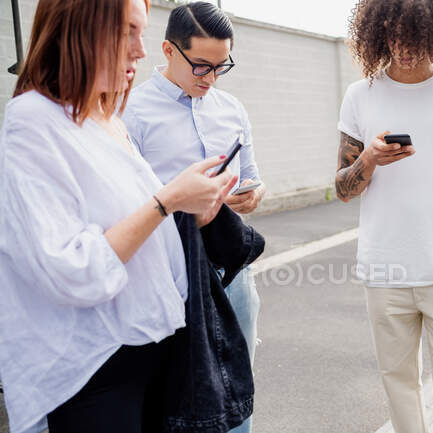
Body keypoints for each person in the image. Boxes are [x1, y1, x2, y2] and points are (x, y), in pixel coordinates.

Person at [0, 0, 237, 432]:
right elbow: (72, 268)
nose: (139, 50)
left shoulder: (106, 118)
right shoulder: (32, 121)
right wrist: (167, 200)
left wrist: (191, 212)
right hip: (92, 372)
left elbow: (133, 229)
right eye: (127, 31)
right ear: (78, 28)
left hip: (144, 357)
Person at [336, 1, 433, 432]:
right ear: (377, 32)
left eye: (415, 36)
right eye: (392, 35)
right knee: (400, 391)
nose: (403, 48)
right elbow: (343, 189)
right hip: (384, 273)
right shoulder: (360, 95)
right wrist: (369, 158)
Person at [122, 4, 264, 432]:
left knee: (237, 389)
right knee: (180, 398)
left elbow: (254, 184)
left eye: (222, 67)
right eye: (201, 66)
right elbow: (126, 205)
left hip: (231, 270)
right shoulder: (132, 112)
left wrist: (249, 196)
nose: (211, 79)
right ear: (167, 50)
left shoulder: (231, 109)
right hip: (166, 273)